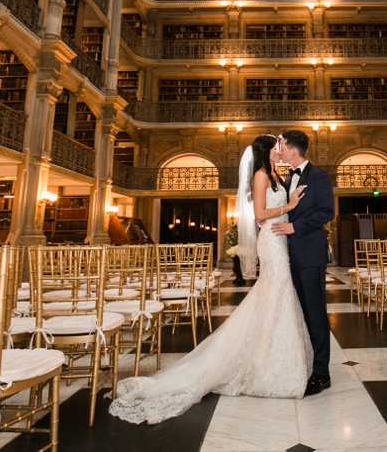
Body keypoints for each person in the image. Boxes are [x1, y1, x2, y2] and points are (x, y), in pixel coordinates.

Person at [109, 135, 312, 424]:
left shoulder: (276, 174)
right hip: (271, 238)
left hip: (280, 240)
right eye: (277, 146)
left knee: (277, 294)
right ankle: (265, 365)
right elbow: (259, 215)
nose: (281, 149)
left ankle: (274, 359)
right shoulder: (259, 175)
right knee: (275, 289)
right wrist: (289, 207)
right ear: (268, 150)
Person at [272, 130, 335, 396]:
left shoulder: (319, 176)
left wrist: (294, 228)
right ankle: (308, 362)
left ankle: (322, 373)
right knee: (300, 312)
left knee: (316, 314)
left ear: (294, 150)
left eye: (283, 146)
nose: (280, 150)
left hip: (310, 255)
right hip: (291, 255)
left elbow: (326, 212)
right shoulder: (287, 178)